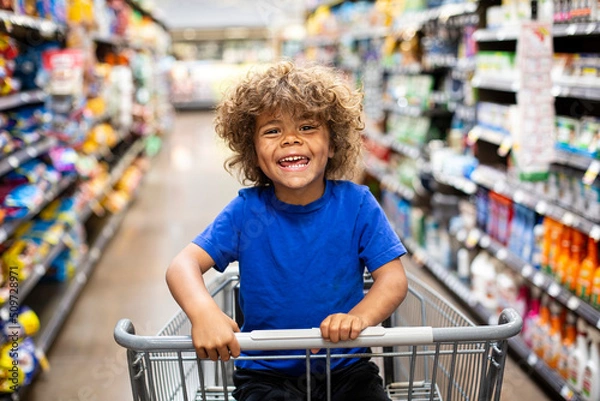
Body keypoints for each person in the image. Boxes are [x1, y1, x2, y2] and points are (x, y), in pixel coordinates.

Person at [165, 60, 409, 401]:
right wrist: (204, 313)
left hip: (347, 368)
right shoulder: (247, 211)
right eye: (272, 130)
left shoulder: (357, 205)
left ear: (334, 144)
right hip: (264, 375)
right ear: (253, 151)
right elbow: (183, 265)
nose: (290, 139)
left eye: (308, 127)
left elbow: (393, 279)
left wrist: (357, 318)